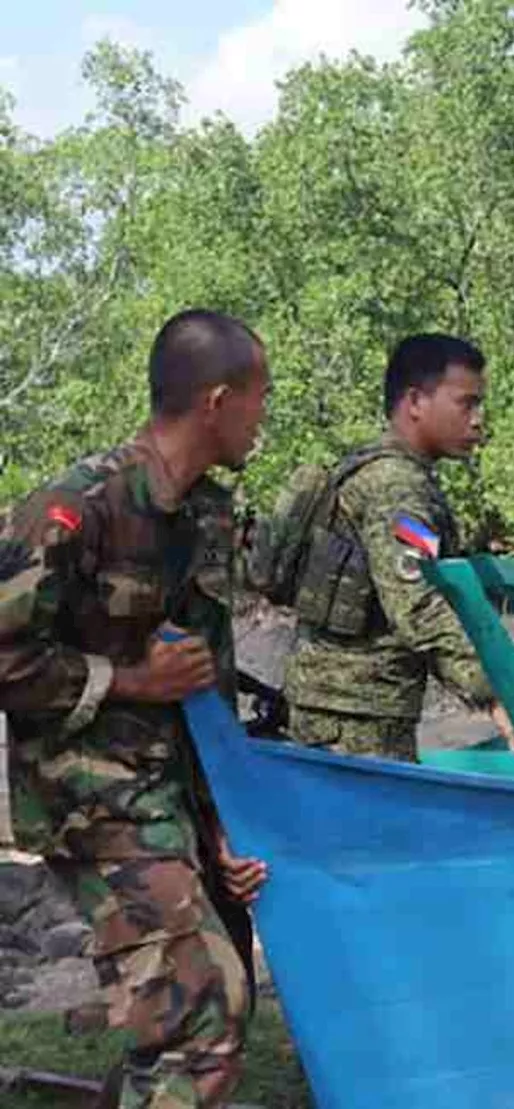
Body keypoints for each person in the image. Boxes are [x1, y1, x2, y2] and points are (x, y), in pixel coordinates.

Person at [0, 309, 271, 1108]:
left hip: (172, 796)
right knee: (204, 1016)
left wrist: (226, 826)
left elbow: (206, 684)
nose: (264, 417)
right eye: (260, 397)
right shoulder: (74, 508)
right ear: (218, 400)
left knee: (191, 1009)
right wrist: (125, 679)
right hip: (88, 800)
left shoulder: (209, 516)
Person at [282, 333, 514, 759]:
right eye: (466, 403)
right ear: (415, 402)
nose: (479, 419)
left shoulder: (376, 469)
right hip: (357, 716)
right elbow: (417, 606)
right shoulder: (398, 488)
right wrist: (495, 690)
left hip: (336, 706)